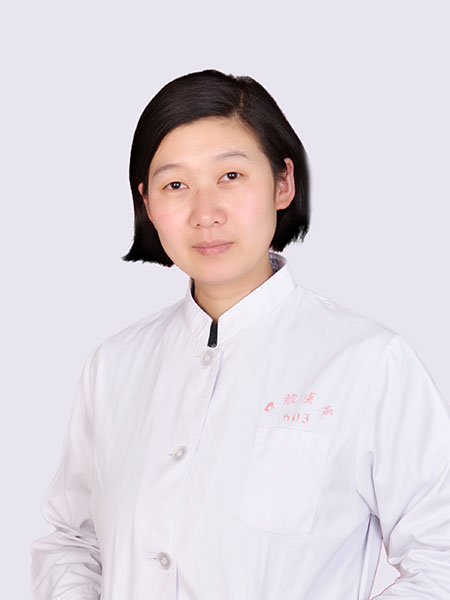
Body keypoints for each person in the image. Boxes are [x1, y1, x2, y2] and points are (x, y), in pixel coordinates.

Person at [30, 69, 450, 599]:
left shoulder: (367, 362)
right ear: (148, 204)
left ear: (282, 184)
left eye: (230, 176)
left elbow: (440, 558)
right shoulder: (114, 366)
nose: (205, 214)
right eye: (175, 185)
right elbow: (73, 541)